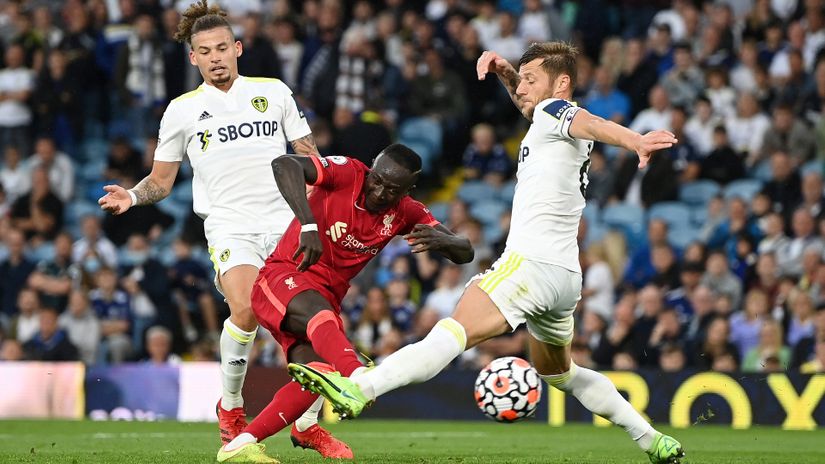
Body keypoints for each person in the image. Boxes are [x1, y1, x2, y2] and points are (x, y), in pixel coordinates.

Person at [290, 42, 685, 464]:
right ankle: (650, 439)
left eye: (533, 79)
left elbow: (592, 121)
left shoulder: (559, 113)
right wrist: (506, 73)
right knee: (562, 373)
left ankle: (361, 388)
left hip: (529, 264)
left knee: (451, 334)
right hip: (564, 276)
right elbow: (539, 108)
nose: (525, 87)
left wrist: (634, 140)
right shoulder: (548, 121)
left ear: (562, 83)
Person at [97, 0, 322, 450]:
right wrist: (134, 195)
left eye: (223, 47)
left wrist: (321, 207)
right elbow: (162, 181)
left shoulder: (274, 91)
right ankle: (232, 408)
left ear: (237, 48)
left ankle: (308, 423)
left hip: (285, 222)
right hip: (230, 224)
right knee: (245, 310)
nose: (216, 57)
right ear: (193, 57)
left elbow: (310, 156)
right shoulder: (181, 111)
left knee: (314, 321)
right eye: (206, 50)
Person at [217, 144, 473, 463]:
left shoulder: (408, 212)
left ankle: (240, 445)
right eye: (376, 179)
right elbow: (285, 164)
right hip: (283, 276)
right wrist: (308, 223)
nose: (379, 191)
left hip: (323, 302)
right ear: (371, 168)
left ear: (408, 191)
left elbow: (466, 252)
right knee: (328, 332)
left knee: (318, 374)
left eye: (391, 189)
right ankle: (357, 377)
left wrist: (448, 241)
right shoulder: (348, 173)